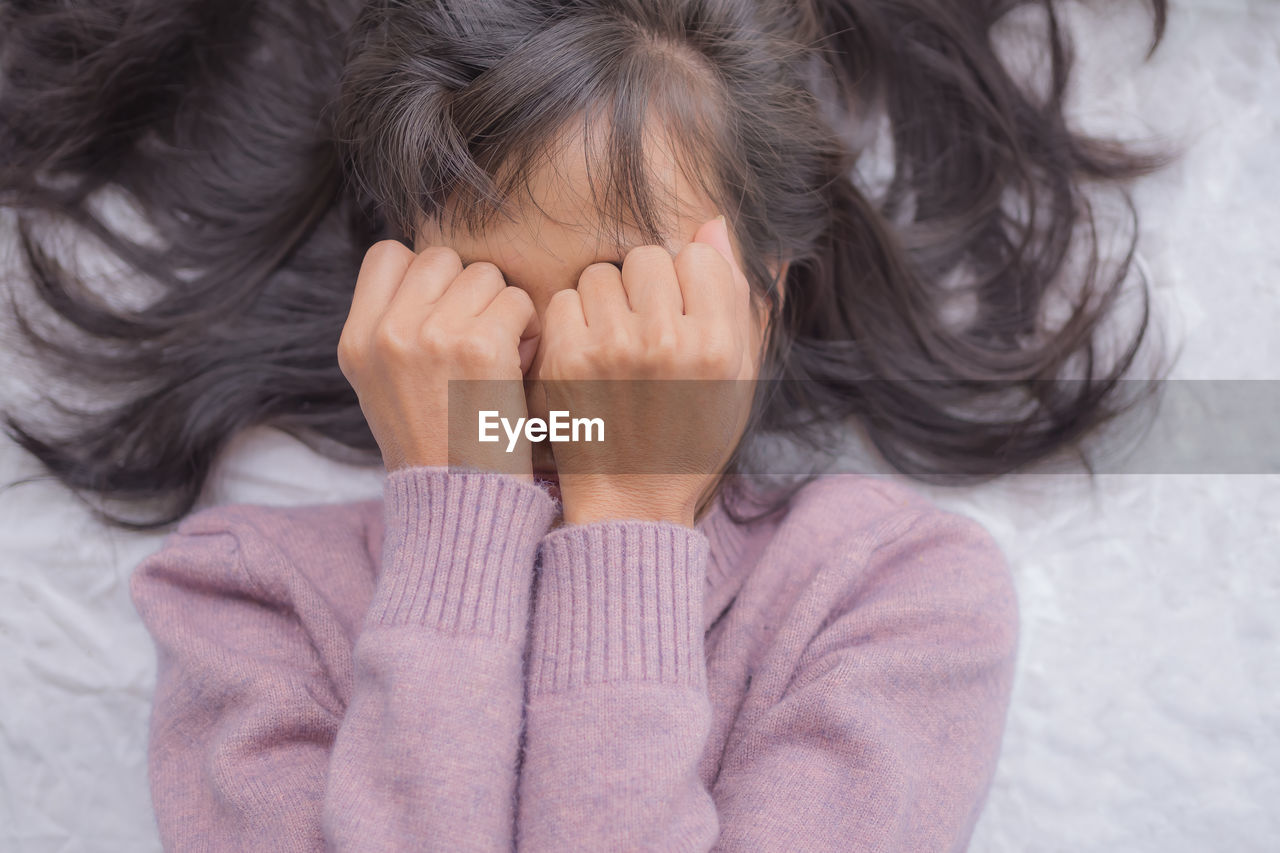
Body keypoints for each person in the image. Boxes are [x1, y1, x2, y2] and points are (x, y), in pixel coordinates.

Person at [0, 0, 1172, 848]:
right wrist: (459, 522)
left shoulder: (891, 597)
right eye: (494, 304)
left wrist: (631, 517)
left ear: (761, 301)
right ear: (394, 312)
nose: (575, 374)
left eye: (629, 298)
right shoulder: (242, 604)